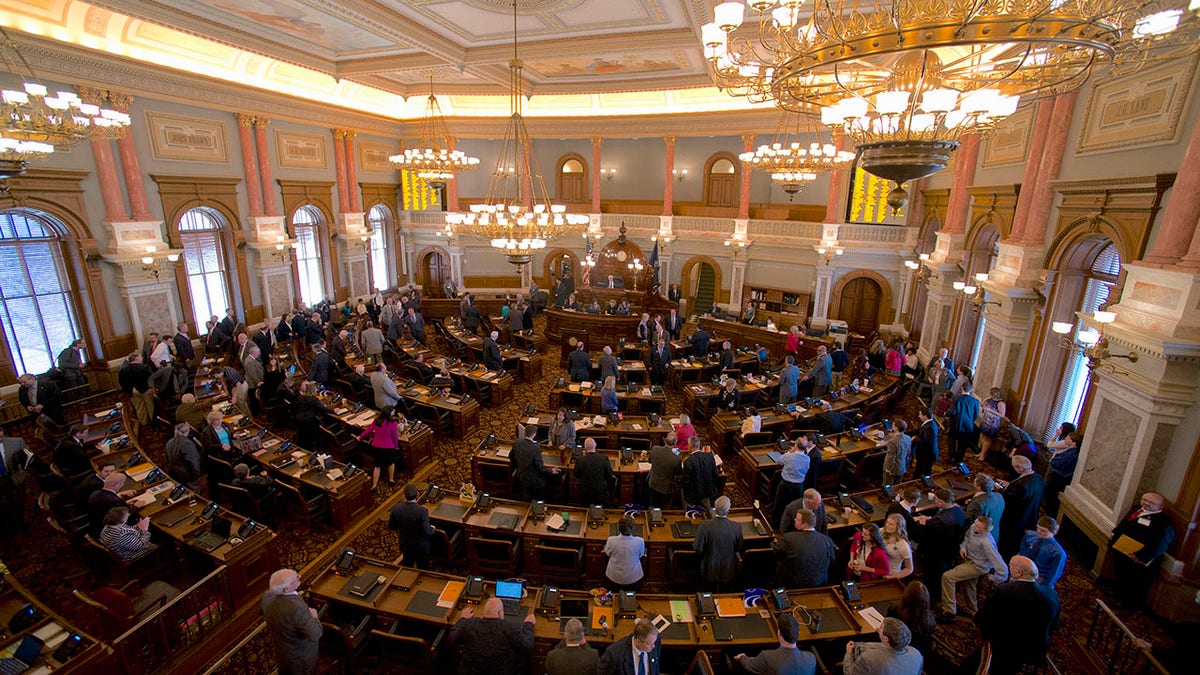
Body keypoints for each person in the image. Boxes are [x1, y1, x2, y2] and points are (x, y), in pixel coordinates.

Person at [974, 556, 1058, 675]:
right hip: (1034, 649)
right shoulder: (1052, 594)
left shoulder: (1004, 591)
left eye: (1011, 566)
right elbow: (1054, 625)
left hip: (1003, 646)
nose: (1009, 568)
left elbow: (984, 615)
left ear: (1019, 573)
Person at [1107, 491, 1175, 608]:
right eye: (1144, 500)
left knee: (1131, 581)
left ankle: (1125, 603)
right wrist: (1115, 533)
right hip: (1123, 550)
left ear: (1160, 507)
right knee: (1121, 574)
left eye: (1151, 502)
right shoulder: (1137, 509)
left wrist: (1141, 557)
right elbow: (1124, 523)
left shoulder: (1163, 523)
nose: (1146, 503)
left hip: (1138, 558)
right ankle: (1116, 594)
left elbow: (1160, 545)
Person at [940, 516, 1008, 619]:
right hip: (969, 559)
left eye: (978, 527)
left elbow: (1003, 569)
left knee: (948, 577)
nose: (974, 527)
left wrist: (993, 578)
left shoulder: (987, 543)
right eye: (975, 524)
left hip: (977, 566)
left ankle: (949, 611)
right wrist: (963, 547)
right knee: (969, 583)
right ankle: (971, 609)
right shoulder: (973, 527)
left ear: (986, 530)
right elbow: (967, 538)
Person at [449, 597, 535, 675]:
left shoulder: (469, 624)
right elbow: (528, 645)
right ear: (500, 614)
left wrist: (462, 619)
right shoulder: (510, 628)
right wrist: (528, 624)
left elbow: (452, 638)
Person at [262, 569, 322, 675]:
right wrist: (314, 617)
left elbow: (263, 611)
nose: (299, 577)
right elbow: (315, 634)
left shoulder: (267, 596)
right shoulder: (297, 608)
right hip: (301, 659)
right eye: (296, 579)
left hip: (281, 653)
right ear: (286, 589)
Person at [912, 488, 965, 605]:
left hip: (936, 552)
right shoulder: (958, 510)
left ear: (943, 502)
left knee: (932, 575)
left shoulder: (940, 522)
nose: (935, 502)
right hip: (951, 547)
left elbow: (925, 534)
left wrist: (921, 522)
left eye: (937, 500)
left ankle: (930, 598)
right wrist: (930, 519)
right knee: (942, 571)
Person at [773, 508, 836, 588]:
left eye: (798, 519)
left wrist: (774, 542)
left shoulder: (789, 538)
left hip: (792, 584)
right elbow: (832, 561)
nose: (794, 520)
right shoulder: (828, 541)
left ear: (805, 524)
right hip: (819, 583)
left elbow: (775, 552)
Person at [733, 615, 815, 675]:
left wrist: (742, 657)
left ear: (779, 633)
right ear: (798, 634)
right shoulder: (811, 659)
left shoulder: (767, 657)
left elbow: (750, 666)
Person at [998, 455, 1045, 559]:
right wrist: (1010, 485)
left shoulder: (1021, 486)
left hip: (1016, 518)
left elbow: (1009, 500)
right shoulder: (1039, 479)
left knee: (1008, 542)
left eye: (1014, 467)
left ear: (1020, 468)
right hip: (1031, 515)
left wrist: (1002, 490)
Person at [693, 495, 742, 590]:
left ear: (714, 509)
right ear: (728, 510)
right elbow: (738, 548)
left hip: (709, 569)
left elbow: (697, 549)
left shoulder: (705, 526)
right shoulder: (737, 527)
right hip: (728, 569)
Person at [843, 618, 923, 675]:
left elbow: (849, 673)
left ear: (886, 639)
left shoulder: (869, 657)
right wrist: (881, 633)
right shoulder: (916, 654)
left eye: (881, 627)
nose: (878, 628)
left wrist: (849, 653)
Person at [388, 484, 436, 569]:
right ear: (417, 494)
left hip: (405, 544)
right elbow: (427, 532)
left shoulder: (396, 508)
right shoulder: (422, 511)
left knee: (407, 565)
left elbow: (392, 526)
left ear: (404, 495)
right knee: (423, 567)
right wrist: (432, 529)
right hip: (420, 546)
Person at [887, 581, 936, 659]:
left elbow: (888, 630)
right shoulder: (930, 619)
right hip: (916, 655)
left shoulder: (895, 610)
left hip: (896, 650)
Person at [510, 423, 559, 500]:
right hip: (535, 481)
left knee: (526, 497)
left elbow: (511, 457)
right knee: (539, 497)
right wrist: (551, 471)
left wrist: (518, 465)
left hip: (521, 477)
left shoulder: (517, 442)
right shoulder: (535, 449)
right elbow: (540, 468)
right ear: (534, 434)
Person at [1019, 516, 1067, 589]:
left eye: (1043, 530)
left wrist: (1043, 586)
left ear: (1054, 532)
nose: (1038, 531)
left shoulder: (1058, 552)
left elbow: (1054, 573)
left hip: (1039, 577)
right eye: (1037, 528)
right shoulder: (1030, 535)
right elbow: (1023, 548)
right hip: (1023, 569)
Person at [359, 406, 400, 490]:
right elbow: (394, 436)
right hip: (388, 446)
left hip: (377, 446)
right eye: (393, 411)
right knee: (391, 462)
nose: (394, 412)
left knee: (377, 466)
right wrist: (396, 446)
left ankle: (374, 485)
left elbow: (369, 430)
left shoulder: (377, 421)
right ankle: (391, 479)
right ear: (389, 413)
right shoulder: (393, 423)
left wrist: (360, 437)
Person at [772, 436, 810, 525]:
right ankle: (790, 523)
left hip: (786, 484)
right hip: (799, 486)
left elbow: (779, 461)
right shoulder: (807, 458)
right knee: (794, 506)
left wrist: (790, 452)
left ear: (796, 445)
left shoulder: (789, 456)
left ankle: (775, 523)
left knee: (779, 504)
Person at [0, 427, 29, 536]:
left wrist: (21, 463)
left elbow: (29, 456)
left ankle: (19, 525)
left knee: (17, 502)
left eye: (2, 437)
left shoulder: (17, 442)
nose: (1, 439)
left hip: (12, 476)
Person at [604, 514, 646, 590]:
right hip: (633, 578)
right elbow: (640, 555)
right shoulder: (640, 541)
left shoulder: (611, 540)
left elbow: (607, 553)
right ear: (633, 528)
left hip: (614, 577)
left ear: (618, 528)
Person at [1044, 431, 1081, 517]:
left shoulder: (1072, 454)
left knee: (1052, 498)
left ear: (1074, 442)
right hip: (1058, 476)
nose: (1065, 439)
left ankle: (1049, 517)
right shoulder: (1069, 450)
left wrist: (1055, 460)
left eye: (1068, 438)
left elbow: (1056, 462)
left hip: (1060, 479)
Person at [964, 474, 1005, 545]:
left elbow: (968, 521)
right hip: (994, 533)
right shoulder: (999, 496)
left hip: (979, 539)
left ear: (979, 487)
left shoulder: (977, 503)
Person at [681, 437, 719, 509]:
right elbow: (715, 474)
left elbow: (686, 482)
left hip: (694, 494)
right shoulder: (709, 456)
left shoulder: (688, 462)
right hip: (709, 490)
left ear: (690, 446)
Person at [574, 437, 614, 505]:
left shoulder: (579, 460)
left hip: (585, 492)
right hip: (600, 493)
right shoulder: (604, 458)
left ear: (585, 447)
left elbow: (576, 474)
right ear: (595, 445)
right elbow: (609, 474)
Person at [646, 432, 680, 509]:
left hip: (653, 483)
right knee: (665, 508)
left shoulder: (655, 449)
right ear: (675, 443)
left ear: (665, 441)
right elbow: (677, 472)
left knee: (653, 505)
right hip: (666, 488)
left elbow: (649, 461)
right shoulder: (677, 458)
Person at [947, 382, 979, 463]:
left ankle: (951, 456)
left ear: (961, 388)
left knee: (951, 439)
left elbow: (953, 412)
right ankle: (959, 460)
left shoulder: (956, 398)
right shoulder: (975, 401)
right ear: (971, 390)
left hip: (955, 423)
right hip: (968, 425)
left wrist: (947, 414)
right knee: (963, 443)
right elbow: (976, 415)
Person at [165, 422, 202, 490]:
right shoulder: (187, 444)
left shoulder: (169, 442)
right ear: (187, 431)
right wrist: (197, 476)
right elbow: (194, 463)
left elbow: (167, 459)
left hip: (173, 474)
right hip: (187, 477)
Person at [975, 387, 1006, 459]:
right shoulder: (990, 400)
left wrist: (990, 410)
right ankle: (982, 452)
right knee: (983, 437)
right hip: (986, 421)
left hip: (992, 424)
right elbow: (984, 406)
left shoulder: (1001, 403)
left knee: (987, 439)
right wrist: (982, 403)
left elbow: (1002, 415)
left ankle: (983, 454)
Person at [911, 408, 939, 478]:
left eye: (920, 414)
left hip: (927, 455)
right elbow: (919, 432)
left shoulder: (930, 427)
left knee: (924, 473)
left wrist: (914, 439)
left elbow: (924, 441)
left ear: (925, 416)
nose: (919, 416)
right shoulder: (928, 423)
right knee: (919, 470)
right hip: (924, 454)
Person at [882, 420, 911, 487]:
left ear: (896, 428)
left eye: (893, 425)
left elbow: (891, 458)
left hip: (893, 469)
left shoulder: (892, 442)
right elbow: (909, 453)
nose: (892, 426)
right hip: (902, 466)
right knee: (898, 486)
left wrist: (887, 469)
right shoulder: (908, 438)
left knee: (887, 486)